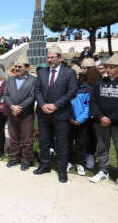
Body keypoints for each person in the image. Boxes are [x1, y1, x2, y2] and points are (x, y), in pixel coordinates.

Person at [34, 44, 78, 183]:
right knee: (44, 141)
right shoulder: (42, 72)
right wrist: (42, 105)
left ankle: (61, 170)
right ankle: (45, 165)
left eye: (52, 57)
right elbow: (37, 90)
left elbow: (72, 92)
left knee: (62, 144)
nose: (49, 60)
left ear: (60, 58)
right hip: (43, 114)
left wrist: (55, 105)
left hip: (61, 114)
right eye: (48, 57)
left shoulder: (69, 73)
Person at [89, 54, 118, 187]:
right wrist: (101, 116)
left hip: (116, 123)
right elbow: (93, 101)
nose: (108, 69)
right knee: (102, 147)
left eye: (112, 67)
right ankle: (103, 171)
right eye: (107, 67)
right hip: (100, 122)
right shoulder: (100, 82)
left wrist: (110, 118)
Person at [3, 55, 36, 170]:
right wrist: (12, 106)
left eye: (19, 66)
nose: (16, 68)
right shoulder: (10, 79)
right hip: (12, 113)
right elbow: (5, 95)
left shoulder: (33, 80)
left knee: (27, 140)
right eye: (15, 66)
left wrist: (19, 107)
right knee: (13, 138)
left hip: (26, 114)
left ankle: (26, 160)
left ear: (26, 68)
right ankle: (13, 158)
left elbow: (32, 97)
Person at [67, 64, 91, 176]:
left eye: (76, 74)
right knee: (68, 142)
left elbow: (88, 106)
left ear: (80, 75)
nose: (74, 76)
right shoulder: (66, 88)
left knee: (81, 143)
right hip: (68, 119)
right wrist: (70, 117)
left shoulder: (86, 88)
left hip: (82, 121)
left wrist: (80, 119)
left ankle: (80, 163)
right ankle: (69, 161)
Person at [81, 58, 100, 169]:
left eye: (85, 68)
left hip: (93, 112)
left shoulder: (98, 80)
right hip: (82, 112)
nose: (83, 70)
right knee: (83, 135)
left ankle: (90, 155)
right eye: (82, 68)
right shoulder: (81, 79)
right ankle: (83, 154)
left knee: (92, 136)